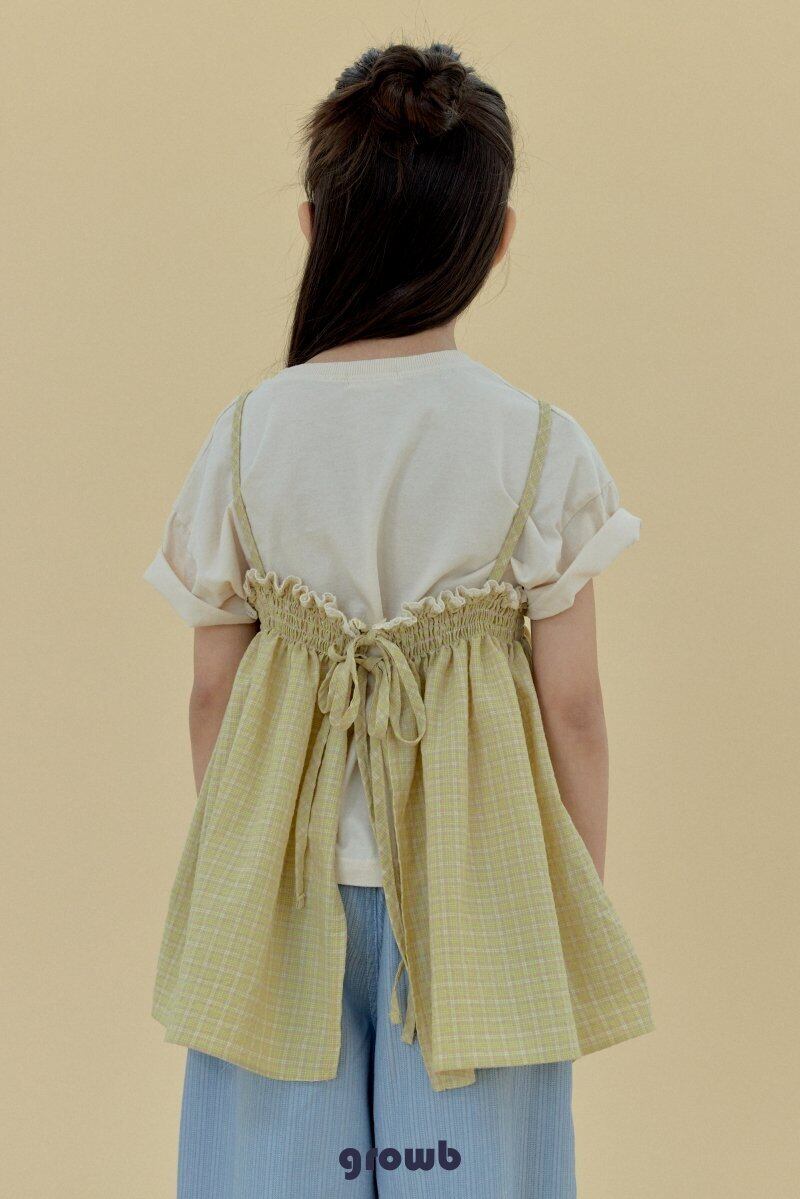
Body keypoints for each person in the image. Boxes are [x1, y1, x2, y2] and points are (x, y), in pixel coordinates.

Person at [143, 41, 654, 1199]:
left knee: (267, 1174)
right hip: (482, 882)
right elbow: (573, 708)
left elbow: (212, 690)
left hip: (288, 881)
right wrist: (568, 890)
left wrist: (247, 862)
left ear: (313, 226)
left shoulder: (246, 436)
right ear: (496, 237)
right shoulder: (536, 443)